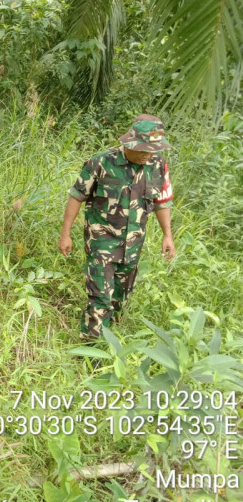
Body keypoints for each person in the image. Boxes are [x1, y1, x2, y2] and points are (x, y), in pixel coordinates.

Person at [58, 114, 175, 342]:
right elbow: (76, 196)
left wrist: (167, 235)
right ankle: (91, 353)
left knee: (120, 299)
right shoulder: (101, 162)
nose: (148, 155)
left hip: (133, 245)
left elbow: (162, 201)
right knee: (101, 298)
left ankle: (111, 341)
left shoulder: (158, 164)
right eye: (143, 150)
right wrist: (65, 234)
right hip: (102, 242)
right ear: (129, 142)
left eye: (152, 150)